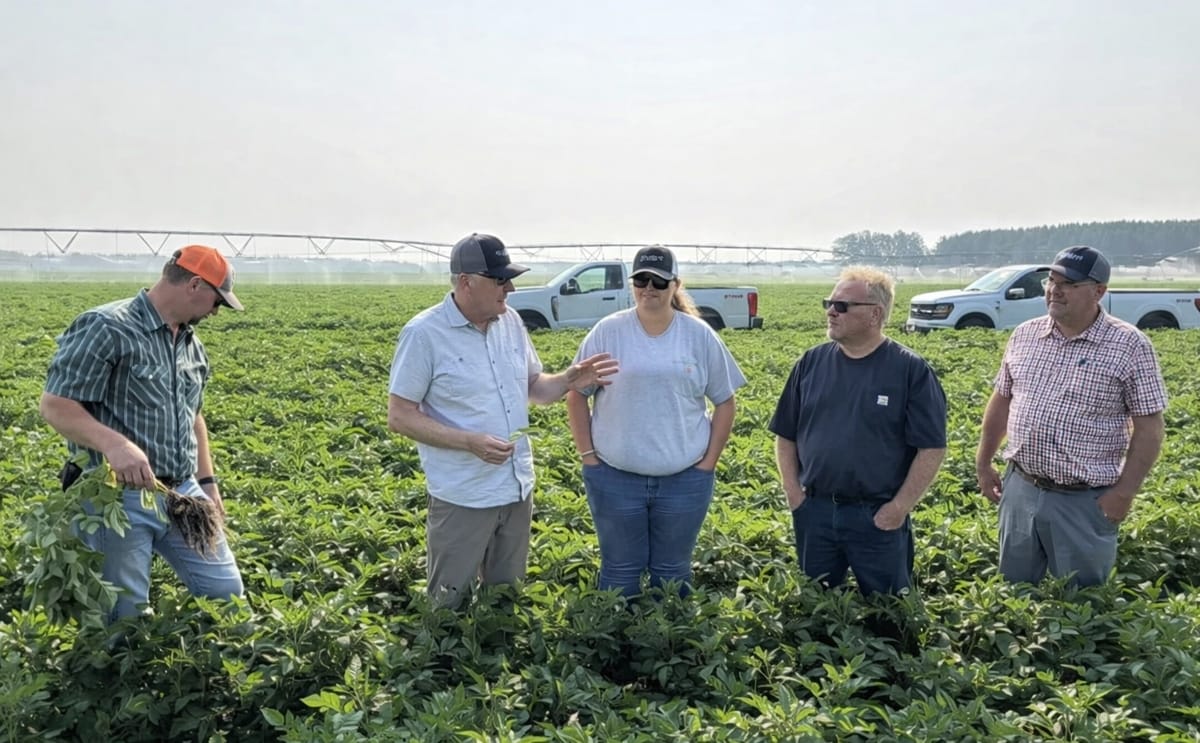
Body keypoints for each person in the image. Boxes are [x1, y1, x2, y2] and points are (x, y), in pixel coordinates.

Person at [388, 233, 618, 608]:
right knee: (449, 604)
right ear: (466, 282)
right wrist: (468, 442)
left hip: (516, 487)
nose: (509, 288)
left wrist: (568, 379)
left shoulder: (509, 321)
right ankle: (447, 665)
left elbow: (534, 388)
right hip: (464, 494)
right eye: (500, 280)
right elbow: (399, 416)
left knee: (505, 598)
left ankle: (498, 659)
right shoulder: (424, 334)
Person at [40, 245, 246, 623]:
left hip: (183, 491)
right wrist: (114, 444)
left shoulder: (191, 345)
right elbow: (56, 405)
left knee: (226, 594)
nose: (216, 313)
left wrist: (208, 483)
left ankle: (212, 673)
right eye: (217, 302)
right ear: (195, 285)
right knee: (126, 613)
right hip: (117, 496)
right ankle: (119, 675)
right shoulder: (106, 327)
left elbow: (193, 416)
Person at [975, 246, 1167, 586]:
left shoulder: (1129, 345)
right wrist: (984, 461)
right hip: (1021, 487)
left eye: (1069, 283)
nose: (1054, 289)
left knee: (1082, 605)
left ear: (1099, 291)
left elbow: (1149, 428)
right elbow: (1002, 400)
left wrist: (1123, 494)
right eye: (1051, 280)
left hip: (1084, 500)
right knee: (1013, 595)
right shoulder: (1025, 335)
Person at [565, 246, 746, 597]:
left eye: (659, 282)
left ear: (675, 285)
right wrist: (589, 457)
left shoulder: (698, 334)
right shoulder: (608, 332)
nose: (649, 288)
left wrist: (708, 464)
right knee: (619, 571)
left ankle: (667, 646)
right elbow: (576, 394)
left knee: (672, 571)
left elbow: (725, 401)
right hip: (614, 476)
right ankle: (620, 648)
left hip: (685, 480)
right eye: (641, 280)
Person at [769, 266, 946, 595]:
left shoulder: (909, 370)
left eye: (842, 306)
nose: (831, 312)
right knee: (818, 607)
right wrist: (793, 492)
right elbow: (786, 433)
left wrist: (898, 509)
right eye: (829, 303)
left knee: (888, 612)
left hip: (877, 515)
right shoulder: (811, 363)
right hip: (816, 511)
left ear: (875, 314)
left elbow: (931, 448)